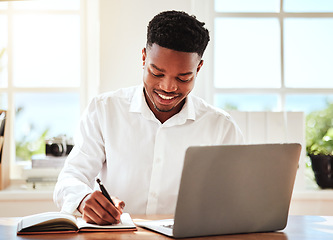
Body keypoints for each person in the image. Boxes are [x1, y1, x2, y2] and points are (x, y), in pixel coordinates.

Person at [54, 10, 244, 225]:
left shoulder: (221, 127)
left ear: (198, 68)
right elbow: (70, 177)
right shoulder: (104, 110)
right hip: (118, 236)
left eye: (183, 78)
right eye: (157, 73)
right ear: (144, 57)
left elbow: (237, 196)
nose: (168, 87)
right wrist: (83, 198)